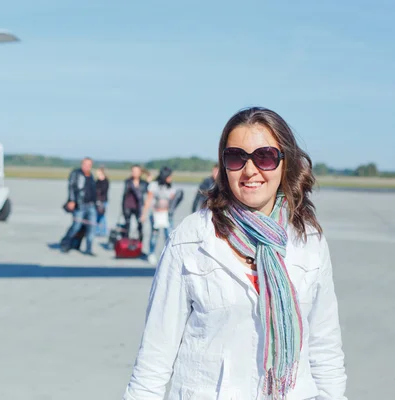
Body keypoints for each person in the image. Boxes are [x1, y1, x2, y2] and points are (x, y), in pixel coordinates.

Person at [123, 107, 347, 399]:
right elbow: (156, 353)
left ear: (285, 163)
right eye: (236, 157)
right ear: (223, 165)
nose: (250, 170)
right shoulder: (191, 239)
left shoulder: (309, 240)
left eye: (264, 156)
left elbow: (324, 345)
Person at [59, 157, 97, 256]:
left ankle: (89, 249)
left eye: (89, 165)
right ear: (81, 164)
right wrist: (72, 200)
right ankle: (65, 243)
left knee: (91, 228)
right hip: (80, 205)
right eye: (85, 164)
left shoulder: (91, 176)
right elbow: (71, 187)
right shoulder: (76, 173)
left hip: (91, 205)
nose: (87, 167)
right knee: (76, 226)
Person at [140, 166, 176, 264]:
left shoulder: (170, 187)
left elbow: (173, 200)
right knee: (154, 235)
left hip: (167, 215)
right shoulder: (154, 185)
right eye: (169, 176)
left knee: (169, 235)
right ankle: (151, 253)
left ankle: (168, 254)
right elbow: (148, 200)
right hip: (156, 214)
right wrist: (144, 214)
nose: (171, 178)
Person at [121, 164, 149, 242]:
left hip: (138, 207)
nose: (135, 173)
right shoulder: (128, 181)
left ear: (140, 172)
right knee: (127, 225)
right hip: (128, 206)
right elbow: (124, 195)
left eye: (137, 171)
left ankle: (139, 244)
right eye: (133, 171)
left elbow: (147, 193)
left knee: (140, 226)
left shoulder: (143, 183)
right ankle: (125, 244)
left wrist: (148, 178)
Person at [95, 166, 110, 237]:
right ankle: (97, 231)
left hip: (103, 201)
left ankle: (104, 231)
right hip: (97, 201)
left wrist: (100, 201)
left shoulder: (105, 181)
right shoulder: (98, 180)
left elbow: (103, 191)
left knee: (102, 217)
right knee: (97, 216)